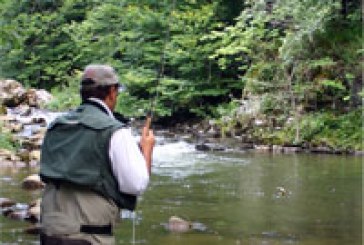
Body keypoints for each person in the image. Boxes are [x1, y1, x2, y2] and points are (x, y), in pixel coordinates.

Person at [39, 64, 155, 244]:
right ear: (112, 92)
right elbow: (136, 184)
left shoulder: (56, 126)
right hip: (88, 237)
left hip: (50, 233)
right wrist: (146, 151)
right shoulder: (115, 131)